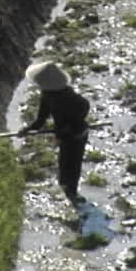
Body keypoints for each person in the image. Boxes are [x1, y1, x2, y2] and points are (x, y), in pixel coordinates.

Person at [18, 61, 91, 205]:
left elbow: (85, 106)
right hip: (63, 134)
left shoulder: (69, 96)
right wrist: (27, 130)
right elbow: (41, 119)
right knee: (64, 162)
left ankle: (72, 193)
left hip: (77, 134)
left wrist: (70, 125)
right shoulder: (47, 95)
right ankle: (65, 188)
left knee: (73, 164)